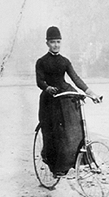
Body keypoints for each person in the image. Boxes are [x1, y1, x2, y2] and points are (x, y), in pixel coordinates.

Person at [36, 26, 101, 177]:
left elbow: (76, 78)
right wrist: (47, 88)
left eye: (58, 42)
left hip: (64, 94)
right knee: (53, 131)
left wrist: (91, 93)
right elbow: (39, 81)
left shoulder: (65, 61)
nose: (56, 45)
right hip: (49, 99)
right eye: (53, 42)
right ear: (47, 43)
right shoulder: (41, 62)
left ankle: (75, 159)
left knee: (74, 126)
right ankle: (55, 164)